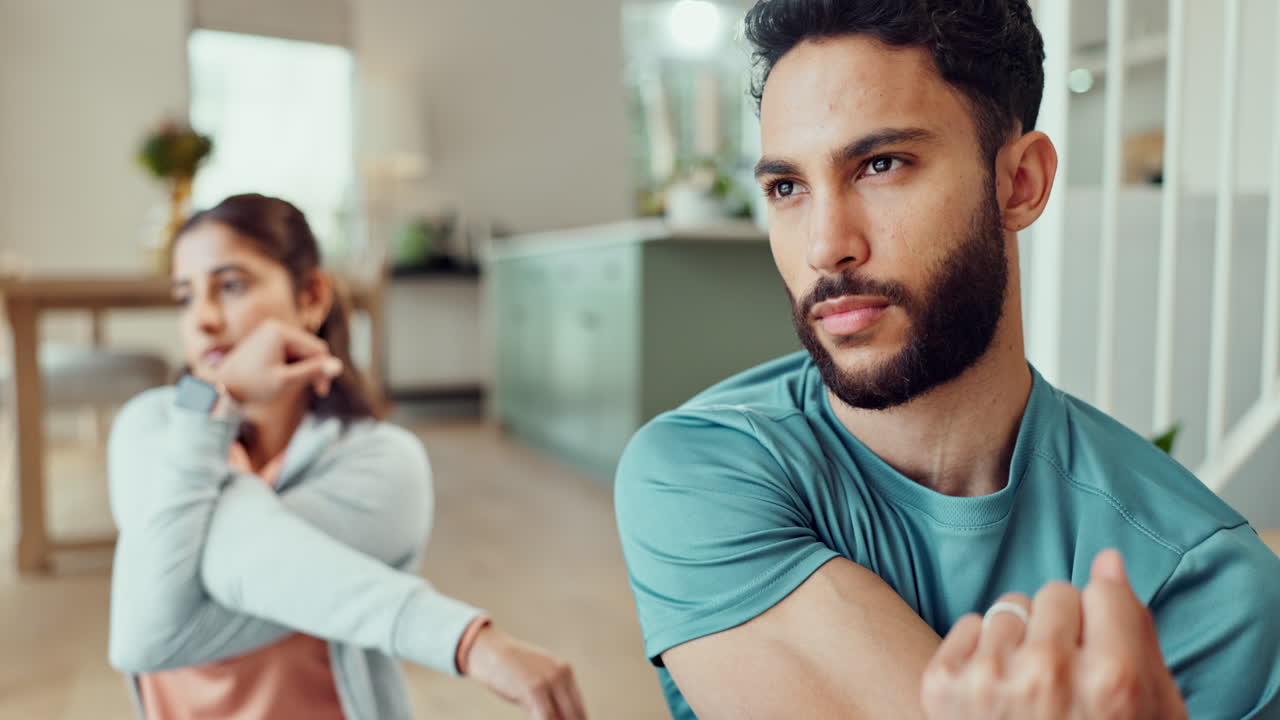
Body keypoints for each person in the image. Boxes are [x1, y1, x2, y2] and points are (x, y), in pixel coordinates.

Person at [613, 1, 1280, 718]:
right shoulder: (698, 471)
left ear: (1020, 183)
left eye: (881, 164)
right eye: (787, 187)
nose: (824, 246)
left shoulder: (1206, 589)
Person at [108, 193, 587, 720]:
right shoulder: (152, 426)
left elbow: (182, 607)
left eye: (231, 285)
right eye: (185, 297)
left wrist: (210, 407)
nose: (202, 319)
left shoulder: (383, 464)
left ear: (312, 296)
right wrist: (468, 643)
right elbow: (146, 637)